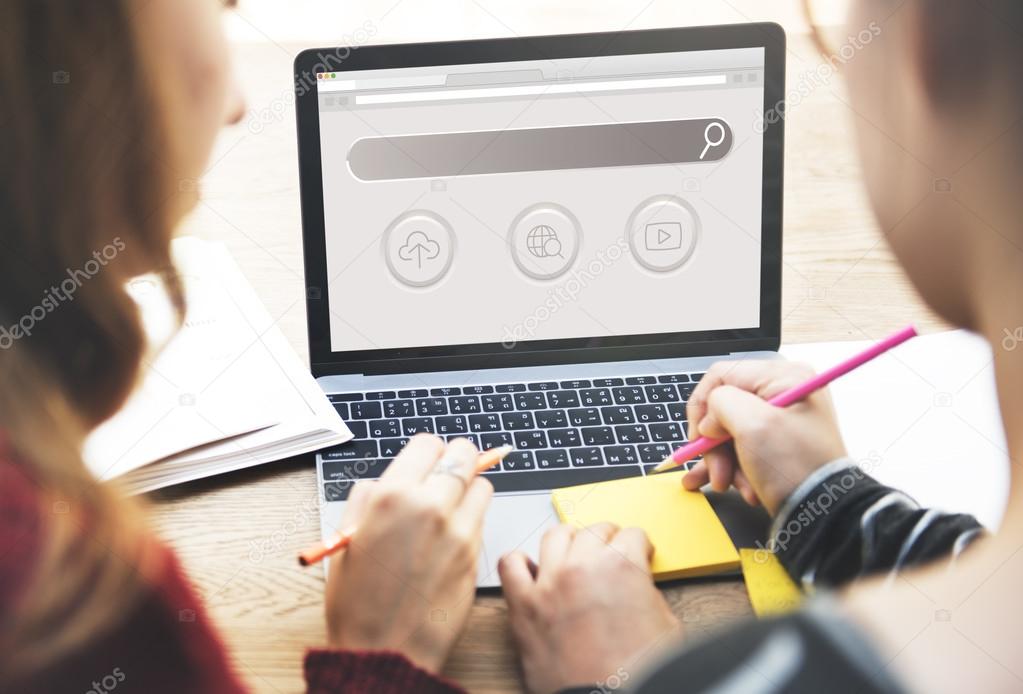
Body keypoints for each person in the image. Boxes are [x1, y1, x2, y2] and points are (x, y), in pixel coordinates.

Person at [1, 2, 1019, 694]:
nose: (235, 99)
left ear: (923, 45)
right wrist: (829, 501)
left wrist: (411, 662)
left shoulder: (60, 599)